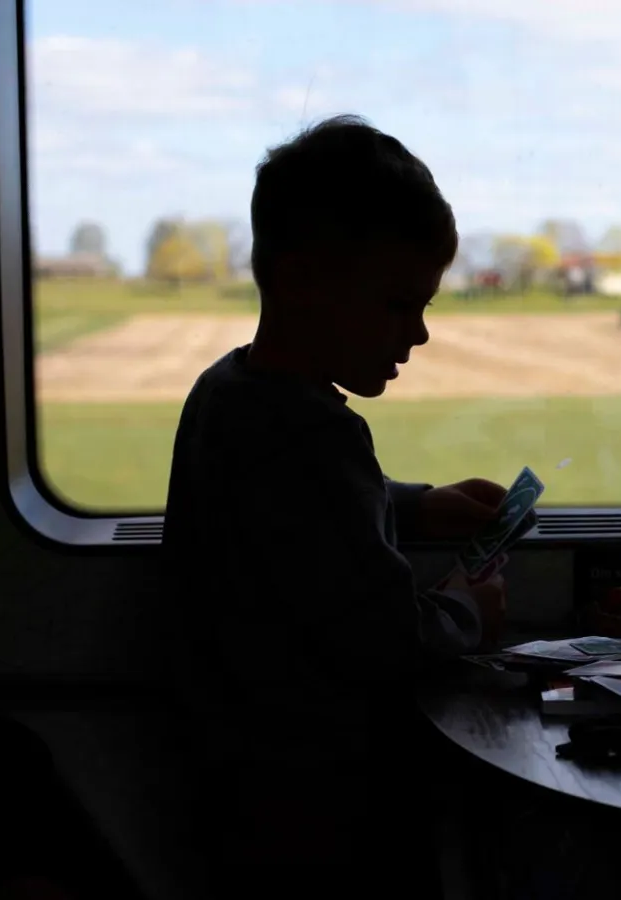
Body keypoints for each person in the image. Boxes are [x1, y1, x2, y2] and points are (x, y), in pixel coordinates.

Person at [161, 114, 511, 897]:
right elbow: (386, 640)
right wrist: (467, 611)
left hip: (240, 787)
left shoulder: (228, 393)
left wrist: (419, 508)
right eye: (396, 304)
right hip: (324, 804)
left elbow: (298, 520)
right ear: (298, 282)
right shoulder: (316, 435)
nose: (418, 333)